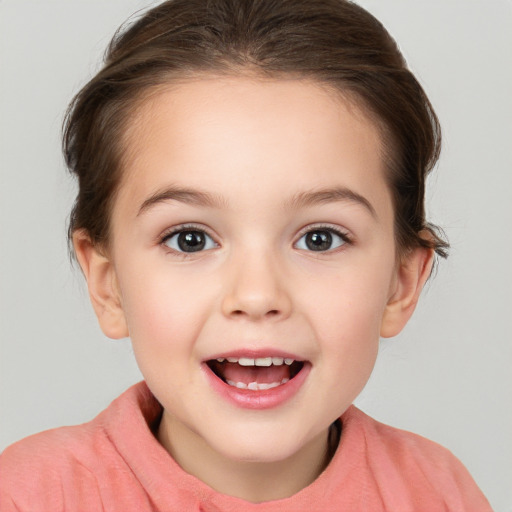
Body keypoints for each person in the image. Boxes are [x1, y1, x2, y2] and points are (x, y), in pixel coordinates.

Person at [0, 0, 493, 510]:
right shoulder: (30, 496)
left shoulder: (438, 493)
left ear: (402, 281)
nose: (257, 296)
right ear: (108, 283)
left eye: (320, 238)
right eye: (189, 239)